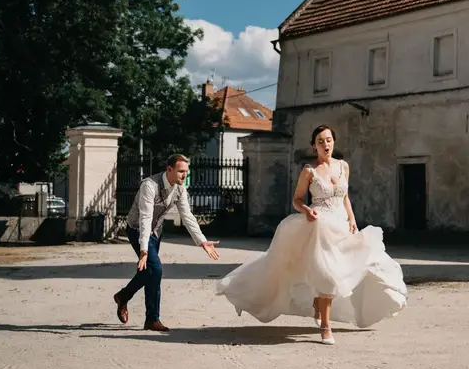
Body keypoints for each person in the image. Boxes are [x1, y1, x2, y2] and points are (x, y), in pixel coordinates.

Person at [214, 125, 407, 345]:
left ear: (334, 141)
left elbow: (344, 197)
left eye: (328, 140)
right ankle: (326, 326)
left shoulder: (343, 166)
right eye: (320, 141)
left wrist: (352, 218)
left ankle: (322, 305)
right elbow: (296, 199)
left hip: (342, 226)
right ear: (314, 145)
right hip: (319, 227)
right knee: (328, 274)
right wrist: (307, 210)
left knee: (362, 264)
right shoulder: (309, 170)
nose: (326, 144)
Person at [113, 153, 221, 332]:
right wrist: (144, 249)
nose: (184, 175)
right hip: (137, 229)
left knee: (150, 272)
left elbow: (187, 216)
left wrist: (202, 241)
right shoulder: (150, 185)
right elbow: (145, 218)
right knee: (155, 269)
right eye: (181, 171)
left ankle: (125, 298)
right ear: (169, 169)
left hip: (156, 231)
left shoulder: (180, 189)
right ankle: (152, 318)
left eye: (186, 171)